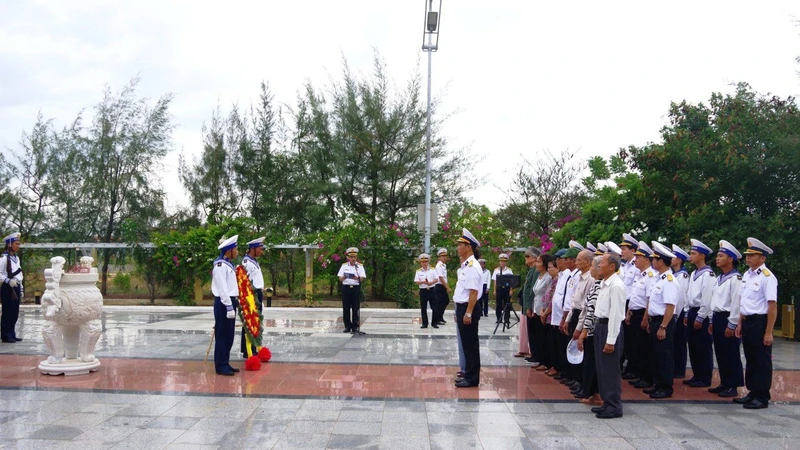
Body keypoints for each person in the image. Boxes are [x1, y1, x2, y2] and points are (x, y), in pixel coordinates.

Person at [733, 237, 778, 410]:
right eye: (748, 254)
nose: (748, 258)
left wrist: (768, 332)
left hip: (760, 322)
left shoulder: (767, 277)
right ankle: (752, 392)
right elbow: (745, 301)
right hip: (748, 321)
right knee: (751, 358)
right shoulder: (747, 275)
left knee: (762, 360)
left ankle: (762, 396)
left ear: (763, 258)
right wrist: (740, 322)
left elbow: (772, 306)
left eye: (753, 255)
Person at [591, 252, 626, 419]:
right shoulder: (605, 283)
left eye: (602, 262)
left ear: (612, 266)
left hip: (609, 329)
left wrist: (610, 340)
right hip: (600, 326)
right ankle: (606, 402)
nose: (598, 265)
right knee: (602, 368)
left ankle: (614, 406)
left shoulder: (616, 285)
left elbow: (616, 315)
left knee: (610, 369)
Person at [708, 240, 744, 398]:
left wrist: (732, 323)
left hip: (728, 318)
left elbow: (737, 303)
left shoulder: (735, 279)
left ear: (730, 259)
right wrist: (711, 319)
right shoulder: (720, 277)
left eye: (721, 256)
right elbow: (714, 300)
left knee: (731, 353)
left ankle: (733, 385)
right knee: (721, 352)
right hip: (717, 317)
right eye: (717, 255)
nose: (717, 258)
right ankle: (724, 382)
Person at [644, 242, 679, 399]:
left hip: (663, 321)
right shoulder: (659, 279)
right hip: (655, 320)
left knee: (664, 355)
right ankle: (658, 384)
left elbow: (670, 306)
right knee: (655, 355)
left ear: (661, 261)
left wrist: (663, 326)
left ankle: (666, 387)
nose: (652, 261)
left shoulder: (669, 280)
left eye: (654, 259)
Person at [453, 228, 484, 388]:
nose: (458, 248)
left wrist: (468, 313)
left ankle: (472, 378)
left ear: (469, 247)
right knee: (466, 344)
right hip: (463, 307)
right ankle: (469, 374)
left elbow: (473, 292)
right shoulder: (466, 266)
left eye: (460, 245)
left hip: (468, 308)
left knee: (471, 344)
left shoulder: (472, 266)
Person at [683, 239, 715, 388]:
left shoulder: (708, 274)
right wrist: (687, 313)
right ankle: (697, 374)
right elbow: (689, 295)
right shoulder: (694, 273)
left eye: (693, 253)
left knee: (703, 346)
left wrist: (701, 316)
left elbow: (707, 298)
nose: (690, 255)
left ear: (702, 256)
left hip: (701, 313)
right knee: (694, 346)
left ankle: (705, 377)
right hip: (692, 311)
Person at [563, 250, 595, 392]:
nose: (576, 262)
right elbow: (574, 301)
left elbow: (586, 306)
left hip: (583, 317)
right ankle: (577, 379)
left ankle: (583, 382)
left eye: (579, 260)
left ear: (588, 262)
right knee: (575, 347)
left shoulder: (590, 279)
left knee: (582, 349)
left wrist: (580, 326)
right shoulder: (580, 278)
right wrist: (568, 319)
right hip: (576, 313)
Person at [625, 242, 656, 388]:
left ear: (647, 260)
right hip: (635, 312)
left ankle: (646, 377)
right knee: (635, 345)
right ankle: (638, 373)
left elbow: (649, 299)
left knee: (644, 347)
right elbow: (634, 296)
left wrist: (645, 318)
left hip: (643, 314)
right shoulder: (640, 275)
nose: (635, 259)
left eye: (639, 257)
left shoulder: (650, 276)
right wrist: (629, 311)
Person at [575, 256, 604, 404]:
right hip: (591, 329)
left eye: (593, 266)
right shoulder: (597, 284)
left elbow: (592, 312)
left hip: (594, 330)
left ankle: (594, 393)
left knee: (593, 363)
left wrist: (584, 332)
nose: (591, 269)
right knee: (589, 362)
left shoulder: (601, 286)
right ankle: (590, 392)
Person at [212, 235, 240, 376]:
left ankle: (225, 362)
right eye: (235, 249)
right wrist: (229, 306)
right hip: (224, 303)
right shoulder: (220, 265)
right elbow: (222, 288)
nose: (237, 251)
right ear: (228, 251)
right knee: (222, 335)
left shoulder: (228, 265)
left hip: (230, 301)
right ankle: (220, 366)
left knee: (229, 336)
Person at [240, 237, 265, 357]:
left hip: (257, 294)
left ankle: (254, 347)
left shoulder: (254, 261)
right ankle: (247, 350)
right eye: (260, 249)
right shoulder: (246, 263)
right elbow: (244, 281)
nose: (262, 251)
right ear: (253, 249)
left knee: (256, 321)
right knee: (250, 321)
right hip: (251, 295)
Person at [528, 253, 553, 367]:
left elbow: (547, 295)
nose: (536, 264)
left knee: (543, 336)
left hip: (544, 308)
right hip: (536, 307)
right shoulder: (539, 276)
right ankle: (539, 358)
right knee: (537, 335)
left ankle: (545, 361)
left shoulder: (548, 277)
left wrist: (544, 310)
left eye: (539, 262)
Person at [670, 244, 690, 378]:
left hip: (679, 312)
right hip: (673, 312)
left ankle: (679, 369)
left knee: (679, 341)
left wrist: (676, 314)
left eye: (673, 257)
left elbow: (681, 298)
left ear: (679, 260)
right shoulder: (674, 274)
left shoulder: (682, 276)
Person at [518, 248, 541, 359]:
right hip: (528, 305)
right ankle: (533, 353)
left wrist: (529, 307)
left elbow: (532, 290)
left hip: (532, 306)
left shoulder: (536, 271)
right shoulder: (532, 270)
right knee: (530, 331)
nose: (525, 258)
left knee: (534, 332)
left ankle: (535, 354)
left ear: (535, 258)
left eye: (528, 256)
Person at [338, 247, 366, 334]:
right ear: (348, 257)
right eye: (351, 257)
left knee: (355, 308)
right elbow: (340, 278)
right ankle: (347, 326)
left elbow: (362, 278)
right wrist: (344, 277)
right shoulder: (344, 266)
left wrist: (357, 278)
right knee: (346, 308)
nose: (353, 259)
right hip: (346, 288)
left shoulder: (359, 266)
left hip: (355, 288)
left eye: (354, 257)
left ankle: (355, 327)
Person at [1, 232, 23, 343]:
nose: (18, 246)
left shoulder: (16, 258)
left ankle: (12, 333)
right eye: (16, 244)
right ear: (10, 244)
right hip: (7, 287)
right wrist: (8, 281)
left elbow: (19, 274)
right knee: (7, 311)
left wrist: (21, 288)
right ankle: (6, 335)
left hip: (16, 286)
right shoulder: (4, 258)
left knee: (15, 311)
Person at [542, 255, 563, 376]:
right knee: (551, 343)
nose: (548, 269)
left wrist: (546, 312)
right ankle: (552, 365)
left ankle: (557, 367)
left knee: (556, 344)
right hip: (548, 314)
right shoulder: (552, 280)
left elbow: (553, 299)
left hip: (553, 315)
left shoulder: (559, 280)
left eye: (550, 267)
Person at [414, 253, 438, 329]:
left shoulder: (433, 270)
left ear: (428, 262)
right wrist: (423, 282)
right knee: (423, 307)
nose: (424, 263)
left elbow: (436, 279)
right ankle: (425, 323)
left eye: (426, 261)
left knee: (434, 307)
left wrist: (431, 282)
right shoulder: (418, 271)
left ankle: (434, 323)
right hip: (423, 290)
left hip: (431, 289)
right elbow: (416, 281)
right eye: (423, 262)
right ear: (420, 262)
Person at [492, 253, 514, 325]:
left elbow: (511, 281)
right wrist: (494, 290)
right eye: (501, 261)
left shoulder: (509, 270)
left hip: (506, 289)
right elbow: (495, 281)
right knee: (498, 304)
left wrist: (511, 290)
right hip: (499, 288)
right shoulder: (496, 270)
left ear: (506, 262)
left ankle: (507, 319)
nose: (502, 262)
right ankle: (499, 319)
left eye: (504, 261)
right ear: (499, 261)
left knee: (507, 304)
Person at [433, 249, 451, 326]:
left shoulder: (443, 265)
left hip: (442, 286)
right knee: (440, 303)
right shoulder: (439, 265)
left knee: (445, 301)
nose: (444, 257)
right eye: (442, 256)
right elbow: (440, 277)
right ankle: (437, 319)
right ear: (439, 257)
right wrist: (447, 287)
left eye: (445, 256)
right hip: (439, 286)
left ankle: (440, 317)